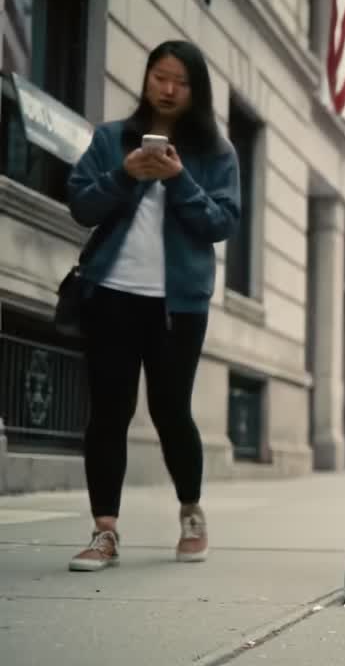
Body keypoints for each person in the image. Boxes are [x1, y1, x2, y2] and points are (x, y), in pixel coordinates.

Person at [65, 40, 241, 572]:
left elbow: (222, 223)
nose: (167, 89)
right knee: (109, 413)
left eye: (180, 81)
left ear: (197, 90)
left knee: (171, 412)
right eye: (159, 77)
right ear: (146, 79)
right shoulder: (111, 139)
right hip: (111, 294)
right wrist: (126, 174)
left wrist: (178, 178)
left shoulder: (217, 153)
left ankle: (191, 511)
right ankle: (105, 531)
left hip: (179, 304)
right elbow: (80, 205)